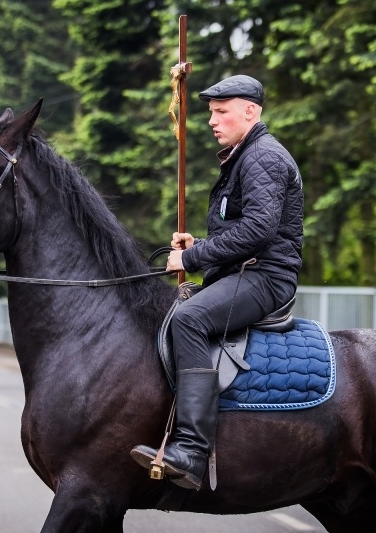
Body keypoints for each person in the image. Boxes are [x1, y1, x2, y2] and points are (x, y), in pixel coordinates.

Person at [131, 75, 304, 489]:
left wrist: (190, 257)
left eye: (221, 111)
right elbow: (243, 229)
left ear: (251, 111)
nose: (212, 120)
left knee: (188, 320)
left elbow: (260, 230)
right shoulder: (243, 156)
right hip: (246, 269)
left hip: (266, 278)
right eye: (211, 112)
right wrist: (200, 244)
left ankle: (190, 450)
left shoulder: (263, 156)